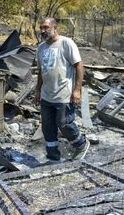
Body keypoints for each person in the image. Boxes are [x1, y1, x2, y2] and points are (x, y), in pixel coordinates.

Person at [34, 17, 90, 161]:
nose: (43, 31)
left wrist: (77, 90)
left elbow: (79, 66)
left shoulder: (66, 43)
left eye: (46, 27)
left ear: (55, 27)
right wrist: (37, 91)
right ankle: (53, 157)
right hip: (47, 95)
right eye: (41, 28)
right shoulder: (41, 48)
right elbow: (41, 71)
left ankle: (81, 144)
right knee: (47, 127)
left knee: (64, 124)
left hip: (64, 94)